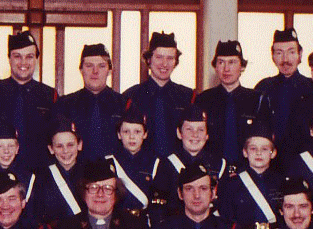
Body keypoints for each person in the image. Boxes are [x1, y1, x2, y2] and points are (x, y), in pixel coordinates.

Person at [0, 30, 57, 175]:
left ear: (36, 60)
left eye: (29, 57)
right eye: (17, 56)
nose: (23, 62)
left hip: (39, 175)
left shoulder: (49, 95)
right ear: (9, 59)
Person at [122, 31, 195, 159]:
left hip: (179, 170)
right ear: (149, 59)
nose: (164, 64)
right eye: (159, 57)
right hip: (142, 168)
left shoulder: (188, 97)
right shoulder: (131, 96)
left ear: (176, 62)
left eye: (170, 58)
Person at [150, 104, 227, 222]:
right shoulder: (166, 165)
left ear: (207, 135)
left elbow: (225, 208)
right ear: (179, 133)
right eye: (189, 129)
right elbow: (158, 209)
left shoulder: (219, 165)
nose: (195, 135)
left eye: (200, 130)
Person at [195, 40, 263, 167]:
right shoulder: (203, 100)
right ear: (215, 67)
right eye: (221, 62)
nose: (226, 68)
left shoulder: (256, 100)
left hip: (247, 171)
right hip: (213, 170)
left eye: (232, 62)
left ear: (242, 66)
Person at [216, 121, 284, 229]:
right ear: (245, 152)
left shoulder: (281, 183)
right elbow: (225, 220)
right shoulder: (232, 184)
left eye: (264, 149)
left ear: (273, 153)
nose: (259, 153)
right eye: (253, 148)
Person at [55, 43, 121, 162]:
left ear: (109, 70)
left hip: (115, 175)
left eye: (101, 66)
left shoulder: (123, 104)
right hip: (76, 176)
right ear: (81, 69)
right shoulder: (65, 105)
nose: (95, 71)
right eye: (89, 65)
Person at [255, 27, 313, 152]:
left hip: (305, 160)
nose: (285, 59)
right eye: (279, 53)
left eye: (291, 52)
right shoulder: (263, 88)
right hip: (270, 160)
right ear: (272, 56)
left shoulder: (312, 87)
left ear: (300, 54)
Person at [29, 116, 86, 227]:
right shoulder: (40, 178)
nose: (65, 151)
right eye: (59, 146)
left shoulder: (90, 173)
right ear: (51, 149)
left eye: (70, 145)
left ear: (79, 145)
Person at [107, 106, 156, 216]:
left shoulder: (155, 162)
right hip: (118, 223)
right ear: (119, 135)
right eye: (126, 132)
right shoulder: (109, 162)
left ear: (145, 134)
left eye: (137, 132)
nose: (132, 137)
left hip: (144, 224)